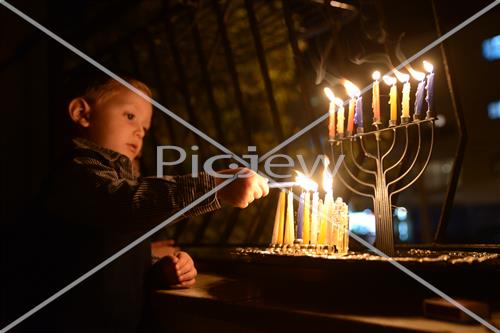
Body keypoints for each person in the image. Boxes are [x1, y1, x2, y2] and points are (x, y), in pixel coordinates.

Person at [5, 72, 268, 332]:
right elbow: (126, 204)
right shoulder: (76, 172)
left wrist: (157, 269)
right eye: (130, 116)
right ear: (82, 113)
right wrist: (215, 187)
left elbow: (108, 253)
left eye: (144, 128)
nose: (139, 132)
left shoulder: (115, 187)